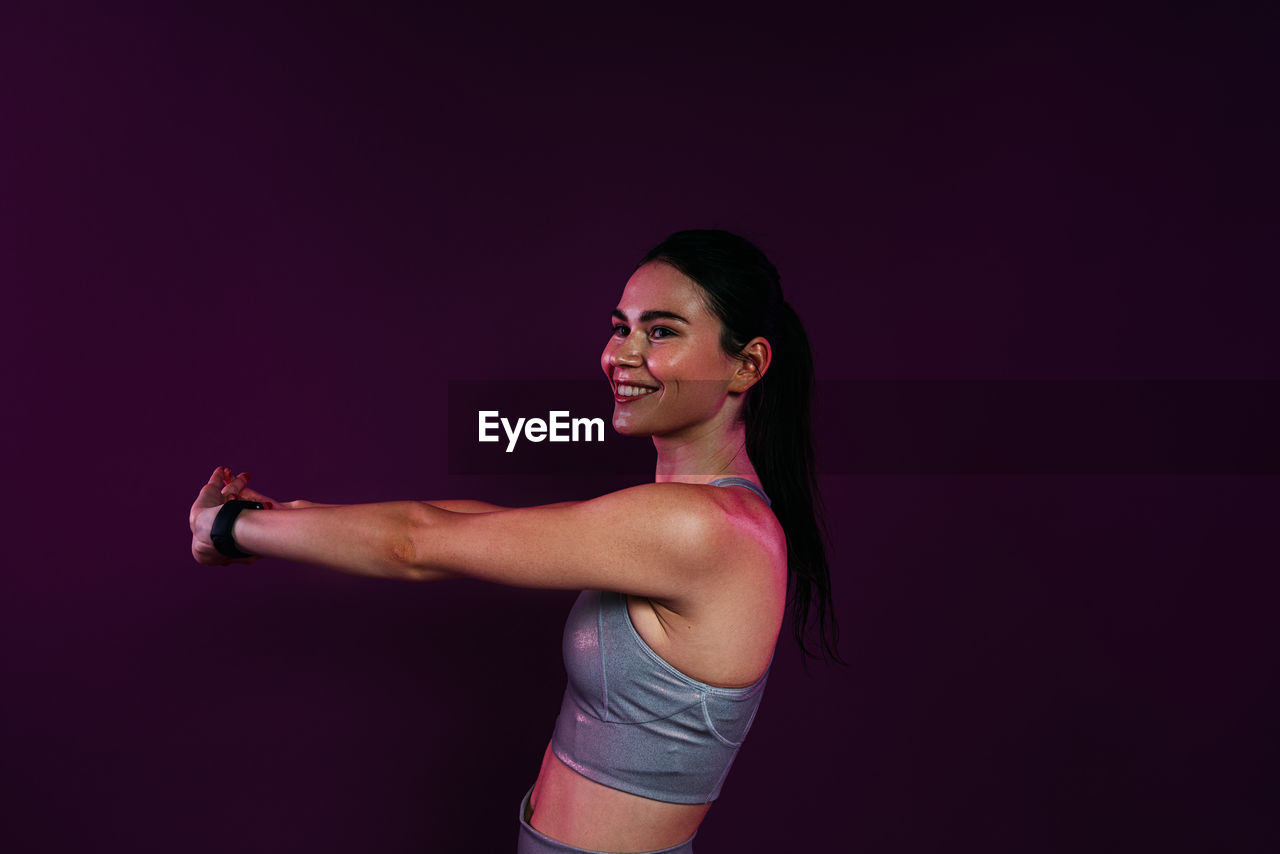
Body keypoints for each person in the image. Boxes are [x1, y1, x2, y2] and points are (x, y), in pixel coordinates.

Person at [188, 229, 839, 853]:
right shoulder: (681, 516)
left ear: (747, 364)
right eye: (620, 328)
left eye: (661, 330)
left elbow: (418, 543)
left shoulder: (701, 527)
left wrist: (229, 530)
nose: (621, 355)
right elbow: (463, 520)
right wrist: (290, 510)